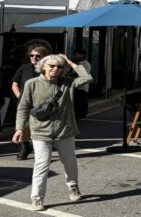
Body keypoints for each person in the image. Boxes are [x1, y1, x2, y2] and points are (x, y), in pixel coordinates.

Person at [13, 54, 92, 212]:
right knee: (42, 164)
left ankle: (73, 186)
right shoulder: (32, 84)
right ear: (43, 67)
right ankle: (37, 198)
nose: (56, 69)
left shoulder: (67, 83)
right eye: (52, 66)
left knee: (70, 162)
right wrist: (19, 128)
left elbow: (87, 77)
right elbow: (23, 107)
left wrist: (69, 61)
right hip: (40, 131)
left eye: (59, 66)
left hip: (65, 130)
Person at [11, 44, 49, 160]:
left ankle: (40, 150)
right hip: (25, 104)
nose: (34, 57)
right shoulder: (24, 68)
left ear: (44, 57)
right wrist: (20, 97)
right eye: (32, 55)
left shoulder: (48, 69)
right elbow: (14, 84)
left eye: (37, 56)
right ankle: (24, 148)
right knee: (24, 127)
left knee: (40, 128)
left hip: (42, 105)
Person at [71, 49, 91, 121]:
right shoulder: (77, 62)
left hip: (82, 86)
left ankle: (80, 115)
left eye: (76, 54)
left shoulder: (85, 63)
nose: (75, 56)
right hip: (76, 85)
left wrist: (71, 75)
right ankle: (77, 115)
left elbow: (82, 73)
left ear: (81, 54)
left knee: (81, 101)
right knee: (76, 101)